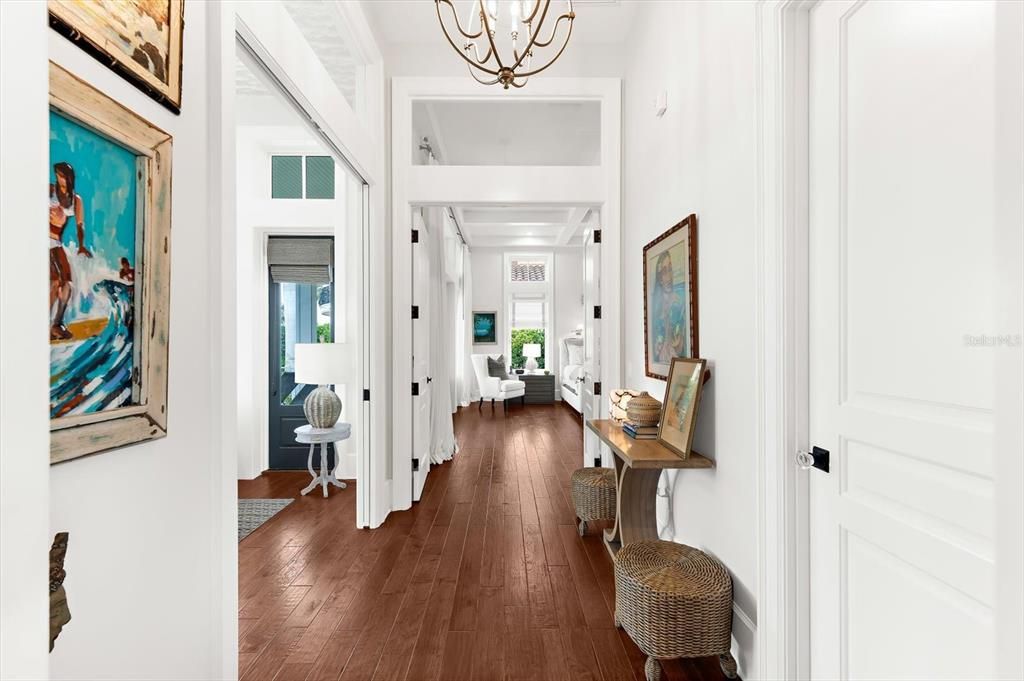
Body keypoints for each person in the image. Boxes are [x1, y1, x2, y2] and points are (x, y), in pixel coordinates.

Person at [50, 161, 91, 340]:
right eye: (58, 176)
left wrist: (81, 245)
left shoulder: (76, 200)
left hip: (56, 244)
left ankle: (56, 324)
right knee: (53, 283)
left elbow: (80, 225)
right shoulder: (49, 191)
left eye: (64, 176)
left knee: (68, 284)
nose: (61, 180)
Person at [650, 250, 687, 364]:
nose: (669, 275)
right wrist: (658, 345)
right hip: (662, 357)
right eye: (664, 271)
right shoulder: (656, 305)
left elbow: (681, 343)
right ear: (659, 278)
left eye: (670, 269)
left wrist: (679, 342)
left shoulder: (679, 300)